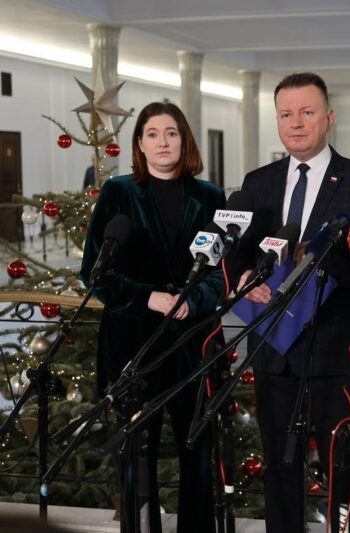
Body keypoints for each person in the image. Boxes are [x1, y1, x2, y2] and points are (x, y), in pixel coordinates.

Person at [234, 72, 350, 531]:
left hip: (331, 348)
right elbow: (241, 250)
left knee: (342, 462)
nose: (296, 123)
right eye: (286, 114)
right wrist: (245, 274)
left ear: (329, 118)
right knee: (279, 465)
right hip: (272, 347)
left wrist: (325, 257)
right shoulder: (257, 183)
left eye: (307, 112)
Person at [81, 102, 226, 532]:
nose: (163, 142)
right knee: (135, 459)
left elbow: (223, 273)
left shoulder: (212, 197)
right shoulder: (118, 193)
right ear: (139, 144)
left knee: (196, 454)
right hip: (133, 347)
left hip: (192, 346)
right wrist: (151, 299)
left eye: (171, 133)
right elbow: (96, 272)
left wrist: (193, 299)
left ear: (185, 140)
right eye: (152, 134)